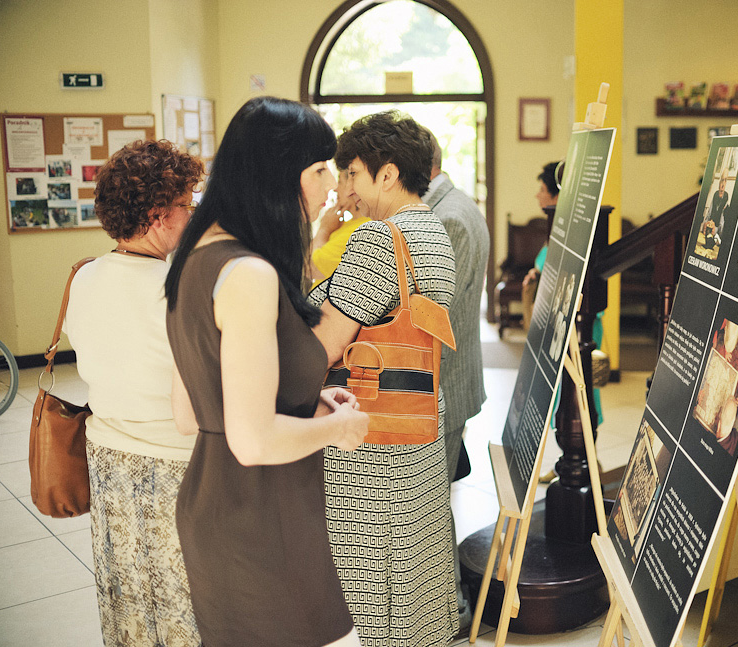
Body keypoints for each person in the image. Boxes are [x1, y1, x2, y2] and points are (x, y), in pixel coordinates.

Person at [164, 96, 369, 647]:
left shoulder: (191, 256)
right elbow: (252, 440)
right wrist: (339, 428)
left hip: (220, 505)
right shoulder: (248, 273)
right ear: (282, 173)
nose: (333, 185)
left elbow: (191, 414)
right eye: (320, 168)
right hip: (259, 515)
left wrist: (311, 404)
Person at [309, 110, 459, 646]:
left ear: (388, 174)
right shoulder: (432, 229)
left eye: (351, 173)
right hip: (415, 412)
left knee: (372, 568)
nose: (344, 188)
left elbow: (327, 340)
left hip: (372, 427)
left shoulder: (379, 239)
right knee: (414, 555)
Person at [63, 139, 204, 647]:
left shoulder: (85, 277)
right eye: (186, 205)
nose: (192, 215)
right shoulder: (180, 288)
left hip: (107, 460)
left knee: (128, 594)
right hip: (173, 463)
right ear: (157, 215)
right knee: (185, 600)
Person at [420, 127, 489, 630]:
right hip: (452, 376)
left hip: (447, 379)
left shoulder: (447, 218)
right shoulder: (453, 204)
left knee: (433, 496)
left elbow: (433, 314)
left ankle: (452, 608)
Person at [307, 168, 371, 288]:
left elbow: (309, 268)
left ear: (352, 187)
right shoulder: (347, 225)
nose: (335, 189)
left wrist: (324, 229)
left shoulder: (360, 229)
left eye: (340, 182)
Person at [522, 161, 560, 330]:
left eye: (542, 190)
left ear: (557, 196)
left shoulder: (565, 231)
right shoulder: (554, 226)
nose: (538, 195)